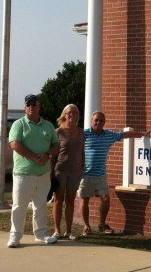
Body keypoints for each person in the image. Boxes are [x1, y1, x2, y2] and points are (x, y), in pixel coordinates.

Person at [78, 111, 150, 236]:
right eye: (96, 120)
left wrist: (142, 134)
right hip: (86, 175)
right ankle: (86, 226)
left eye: (101, 120)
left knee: (105, 199)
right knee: (84, 201)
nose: (98, 122)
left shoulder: (109, 135)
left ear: (104, 122)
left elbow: (125, 134)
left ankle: (102, 224)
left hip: (101, 175)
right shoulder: (84, 134)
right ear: (92, 121)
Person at [7, 94, 60, 248]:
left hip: (43, 174)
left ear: (39, 106)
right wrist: (34, 157)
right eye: (28, 105)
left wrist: (48, 155)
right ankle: (15, 236)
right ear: (25, 108)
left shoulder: (48, 125)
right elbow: (14, 144)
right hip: (23, 174)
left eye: (34, 104)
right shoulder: (19, 124)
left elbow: (56, 145)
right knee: (19, 206)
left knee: (40, 205)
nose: (31, 107)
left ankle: (41, 233)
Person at [51, 103, 84, 240]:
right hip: (60, 170)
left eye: (75, 112)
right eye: (69, 112)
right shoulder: (58, 132)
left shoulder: (81, 132)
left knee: (70, 201)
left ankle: (69, 231)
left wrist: (83, 166)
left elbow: (82, 151)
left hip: (75, 172)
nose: (72, 115)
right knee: (58, 200)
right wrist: (51, 172)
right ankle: (57, 230)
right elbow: (53, 154)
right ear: (64, 115)